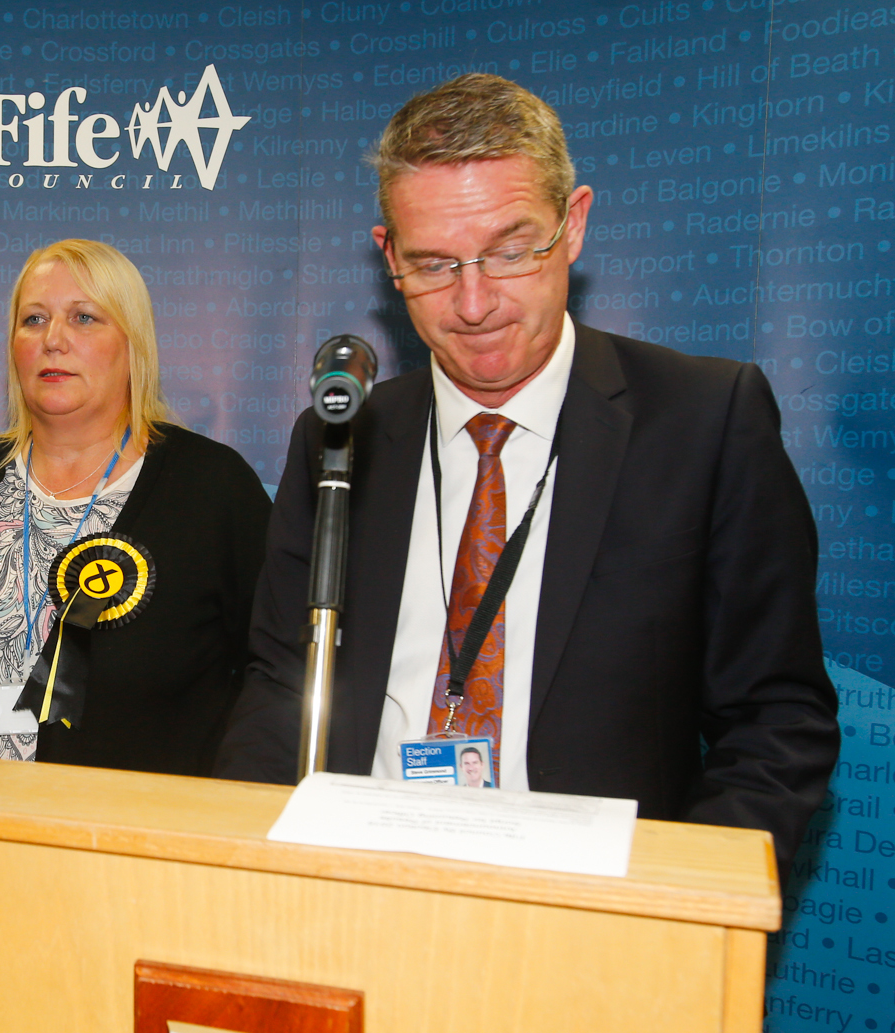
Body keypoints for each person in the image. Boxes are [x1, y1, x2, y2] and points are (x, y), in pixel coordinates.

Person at [216, 75, 837, 876]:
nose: (474, 303)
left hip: (594, 916)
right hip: (357, 891)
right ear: (388, 257)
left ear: (572, 225)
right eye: (434, 264)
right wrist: (241, 866)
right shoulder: (340, 437)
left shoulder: (703, 421)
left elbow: (777, 719)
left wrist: (679, 908)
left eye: (510, 252)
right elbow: (281, 679)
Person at [0, 239, 271, 775]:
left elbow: (278, 672)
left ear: (133, 343)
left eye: (83, 317)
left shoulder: (213, 489)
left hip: (139, 844)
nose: (53, 340)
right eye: (33, 319)